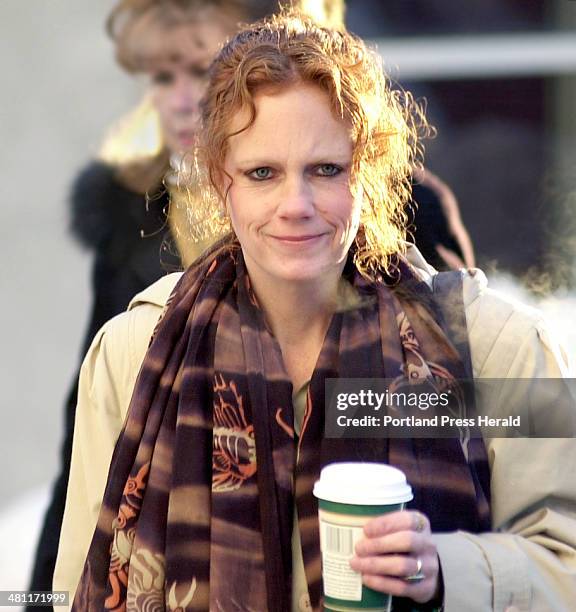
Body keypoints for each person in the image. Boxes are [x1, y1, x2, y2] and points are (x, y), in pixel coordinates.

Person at [55, 9, 576, 612]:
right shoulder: (135, 351)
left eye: (326, 170)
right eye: (262, 173)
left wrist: (442, 568)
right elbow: (78, 582)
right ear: (222, 183)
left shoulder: (498, 346)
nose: (295, 204)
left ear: (370, 174)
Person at [30, 0, 346, 604]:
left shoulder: (367, 211)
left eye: (202, 71)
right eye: (161, 77)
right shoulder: (133, 222)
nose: (179, 99)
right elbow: (92, 445)